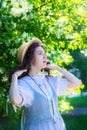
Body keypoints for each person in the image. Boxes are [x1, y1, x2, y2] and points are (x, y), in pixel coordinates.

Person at [9, 38, 82, 130]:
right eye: (40, 53)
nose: (45, 57)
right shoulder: (24, 84)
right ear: (30, 58)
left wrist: (58, 68)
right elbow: (15, 100)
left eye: (45, 54)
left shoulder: (48, 80)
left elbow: (77, 83)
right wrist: (14, 77)